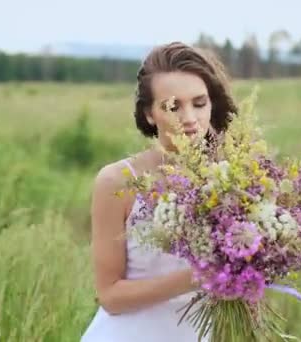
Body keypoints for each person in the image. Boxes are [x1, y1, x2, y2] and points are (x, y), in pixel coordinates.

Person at [81, 41, 239, 342]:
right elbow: (110, 296)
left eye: (199, 103)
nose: (190, 118)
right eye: (172, 106)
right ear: (150, 114)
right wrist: (197, 277)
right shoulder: (117, 181)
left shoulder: (235, 178)